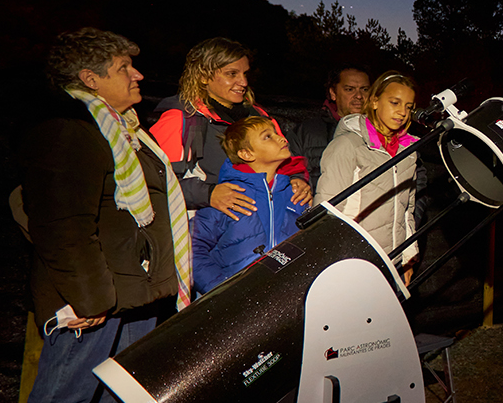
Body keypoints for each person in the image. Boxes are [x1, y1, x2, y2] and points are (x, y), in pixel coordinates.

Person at [15, 28, 192, 403]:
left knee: (119, 385)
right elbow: (61, 225)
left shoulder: (123, 126)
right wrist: (87, 299)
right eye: (123, 68)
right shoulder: (68, 129)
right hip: (95, 294)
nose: (137, 74)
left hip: (133, 289)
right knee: (63, 395)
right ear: (89, 78)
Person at [150, 37, 311, 218]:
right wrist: (208, 194)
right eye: (232, 74)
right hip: (205, 234)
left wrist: (298, 181)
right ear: (203, 76)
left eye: (245, 74)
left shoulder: (258, 116)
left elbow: (288, 163)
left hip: (261, 228)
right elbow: (157, 183)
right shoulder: (183, 119)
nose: (243, 82)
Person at [313, 71, 422, 282]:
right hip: (352, 263)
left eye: (408, 107)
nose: (402, 112)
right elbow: (327, 213)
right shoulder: (348, 145)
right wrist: (331, 265)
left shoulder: (408, 152)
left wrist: (408, 256)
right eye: (395, 102)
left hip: (392, 263)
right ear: (374, 101)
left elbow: (407, 209)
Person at [189, 116, 306, 299]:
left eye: (276, 133)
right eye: (268, 136)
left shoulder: (295, 194)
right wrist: (223, 290)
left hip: (286, 299)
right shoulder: (229, 195)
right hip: (235, 304)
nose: (282, 138)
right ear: (247, 154)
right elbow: (191, 248)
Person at [287, 66, 371, 191]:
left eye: (364, 89)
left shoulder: (382, 133)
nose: (359, 96)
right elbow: (288, 170)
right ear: (333, 93)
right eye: (349, 89)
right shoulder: (306, 131)